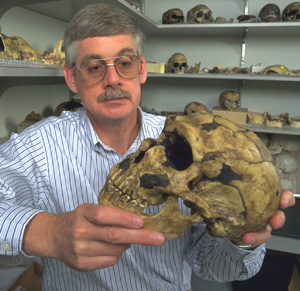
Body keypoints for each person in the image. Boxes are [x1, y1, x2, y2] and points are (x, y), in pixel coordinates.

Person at [0, 3, 295, 291]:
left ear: (141, 69)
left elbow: (213, 266)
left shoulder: (186, 142)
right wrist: (48, 233)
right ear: (71, 78)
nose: (113, 79)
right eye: (94, 67)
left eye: (125, 63)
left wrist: (241, 235)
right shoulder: (36, 147)